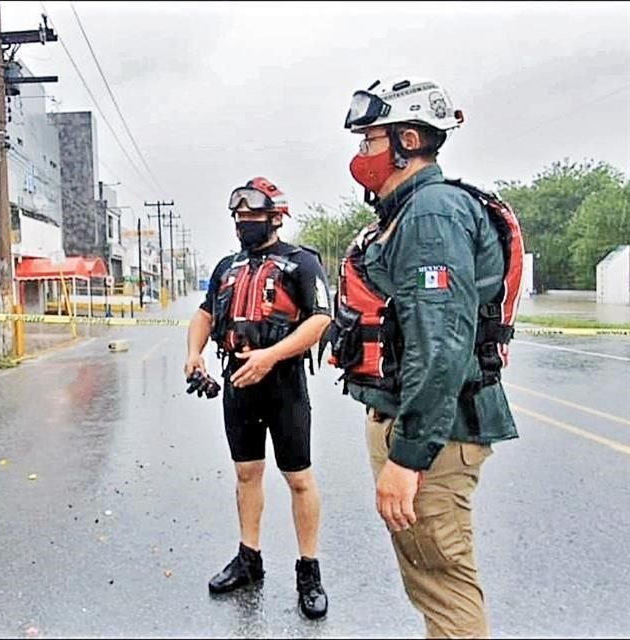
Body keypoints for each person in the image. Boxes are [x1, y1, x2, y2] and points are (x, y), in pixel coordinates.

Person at [326, 77, 524, 637]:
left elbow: (441, 348)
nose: (360, 155)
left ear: (408, 140)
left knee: (444, 586)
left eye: (369, 141)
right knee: (432, 581)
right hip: (427, 426)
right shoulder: (413, 211)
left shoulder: (432, 213)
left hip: (435, 436)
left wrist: (408, 458)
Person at [184, 177, 332, 620]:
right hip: (238, 383)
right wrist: (194, 353)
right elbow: (207, 313)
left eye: (251, 216)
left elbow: (320, 319)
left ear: (275, 217)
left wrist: (270, 356)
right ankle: (249, 559)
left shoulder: (301, 263)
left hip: (284, 383)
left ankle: (309, 571)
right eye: (238, 216)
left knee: (299, 479)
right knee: (246, 474)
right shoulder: (228, 267)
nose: (242, 223)